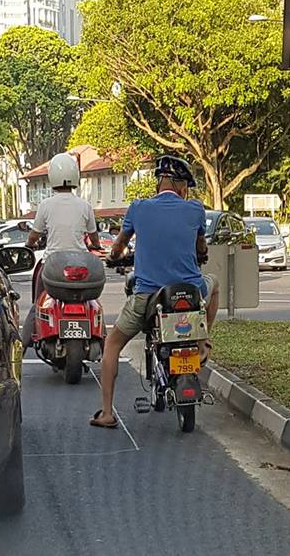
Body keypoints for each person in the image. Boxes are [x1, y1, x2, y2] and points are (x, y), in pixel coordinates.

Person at [90, 155, 219, 429]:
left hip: (148, 297)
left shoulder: (138, 208)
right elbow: (201, 248)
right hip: (190, 293)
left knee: (111, 344)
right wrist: (200, 253)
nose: (187, 191)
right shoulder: (195, 209)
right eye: (186, 186)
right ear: (180, 185)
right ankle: (202, 340)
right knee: (215, 283)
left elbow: (119, 245)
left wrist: (114, 256)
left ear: (160, 182)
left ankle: (107, 413)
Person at [22, 153, 101, 342]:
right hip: (83, 266)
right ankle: (102, 339)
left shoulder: (46, 205)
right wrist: (97, 246)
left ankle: (24, 344)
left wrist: (29, 245)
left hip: (52, 265)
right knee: (93, 300)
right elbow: (93, 235)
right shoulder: (85, 205)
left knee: (37, 303)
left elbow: (34, 234)